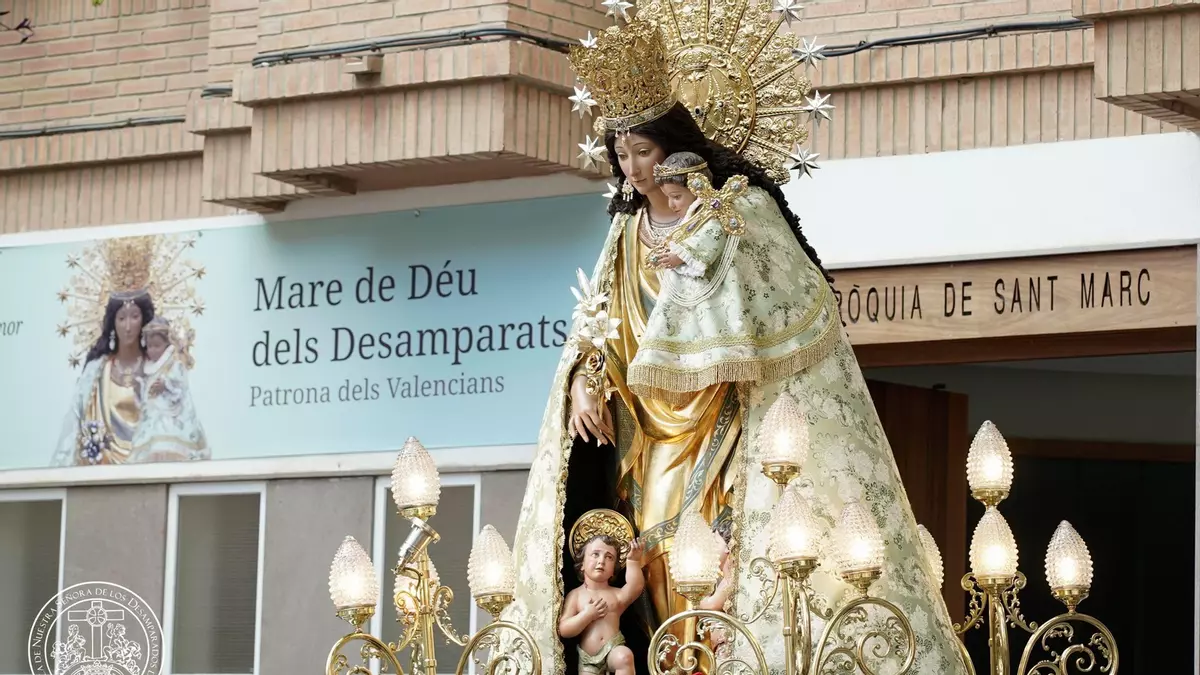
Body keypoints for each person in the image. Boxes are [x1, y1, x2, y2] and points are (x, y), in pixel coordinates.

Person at [503, 17, 968, 675]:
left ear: (675, 145)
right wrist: (587, 375)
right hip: (648, 431)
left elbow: (781, 294)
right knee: (650, 548)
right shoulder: (627, 233)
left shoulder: (735, 211)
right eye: (623, 154)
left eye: (645, 150)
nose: (636, 168)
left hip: (721, 420)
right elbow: (599, 323)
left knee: (713, 549)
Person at [53, 291, 156, 466]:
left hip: (148, 465)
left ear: (144, 320)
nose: (128, 326)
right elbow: (75, 423)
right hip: (102, 469)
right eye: (121, 318)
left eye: (135, 316)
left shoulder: (156, 370)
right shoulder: (96, 372)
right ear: (113, 323)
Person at [558, 534, 645, 675]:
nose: (602, 561)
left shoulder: (616, 595)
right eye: (595, 554)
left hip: (613, 648)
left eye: (609, 557)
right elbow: (564, 629)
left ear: (613, 570)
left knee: (624, 656)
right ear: (582, 564)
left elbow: (635, 586)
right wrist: (586, 615)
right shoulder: (576, 595)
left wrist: (633, 561)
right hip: (588, 660)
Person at [130, 317, 211, 463]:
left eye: (157, 346)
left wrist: (166, 385)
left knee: (166, 447)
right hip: (151, 421)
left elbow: (180, 386)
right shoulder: (147, 368)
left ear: (167, 344)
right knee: (150, 448)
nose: (152, 350)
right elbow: (146, 397)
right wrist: (139, 387)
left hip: (169, 418)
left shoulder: (174, 364)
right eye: (149, 346)